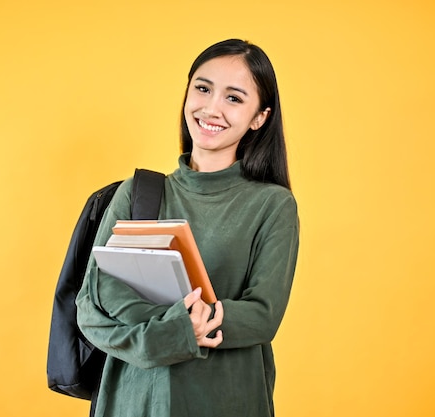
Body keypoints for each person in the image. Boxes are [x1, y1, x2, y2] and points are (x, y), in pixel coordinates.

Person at [76, 39, 299, 417]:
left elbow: (262, 315)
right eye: (203, 88)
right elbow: (92, 307)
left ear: (259, 117)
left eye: (234, 98)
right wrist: (179, 332)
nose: (211, 108)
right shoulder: (137, 195)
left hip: (227, 400)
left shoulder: (272, 205)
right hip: (134, 401)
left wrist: (166, 323)